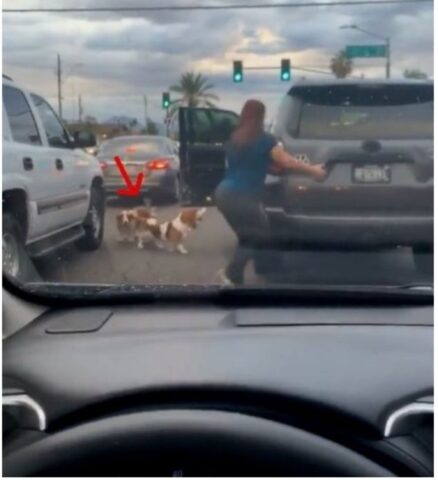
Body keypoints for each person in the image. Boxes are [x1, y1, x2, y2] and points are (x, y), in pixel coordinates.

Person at [216, 99, 326, 286]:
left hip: (223, 193)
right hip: (242, 196)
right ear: (261, 117)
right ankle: (229, 272)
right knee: (258, 237)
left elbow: (254, 165)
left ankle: (236, 279)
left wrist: (275, 169)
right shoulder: (265, 140)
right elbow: (288, 161)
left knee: (248, 236)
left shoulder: (235, 138)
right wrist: (313, 171)